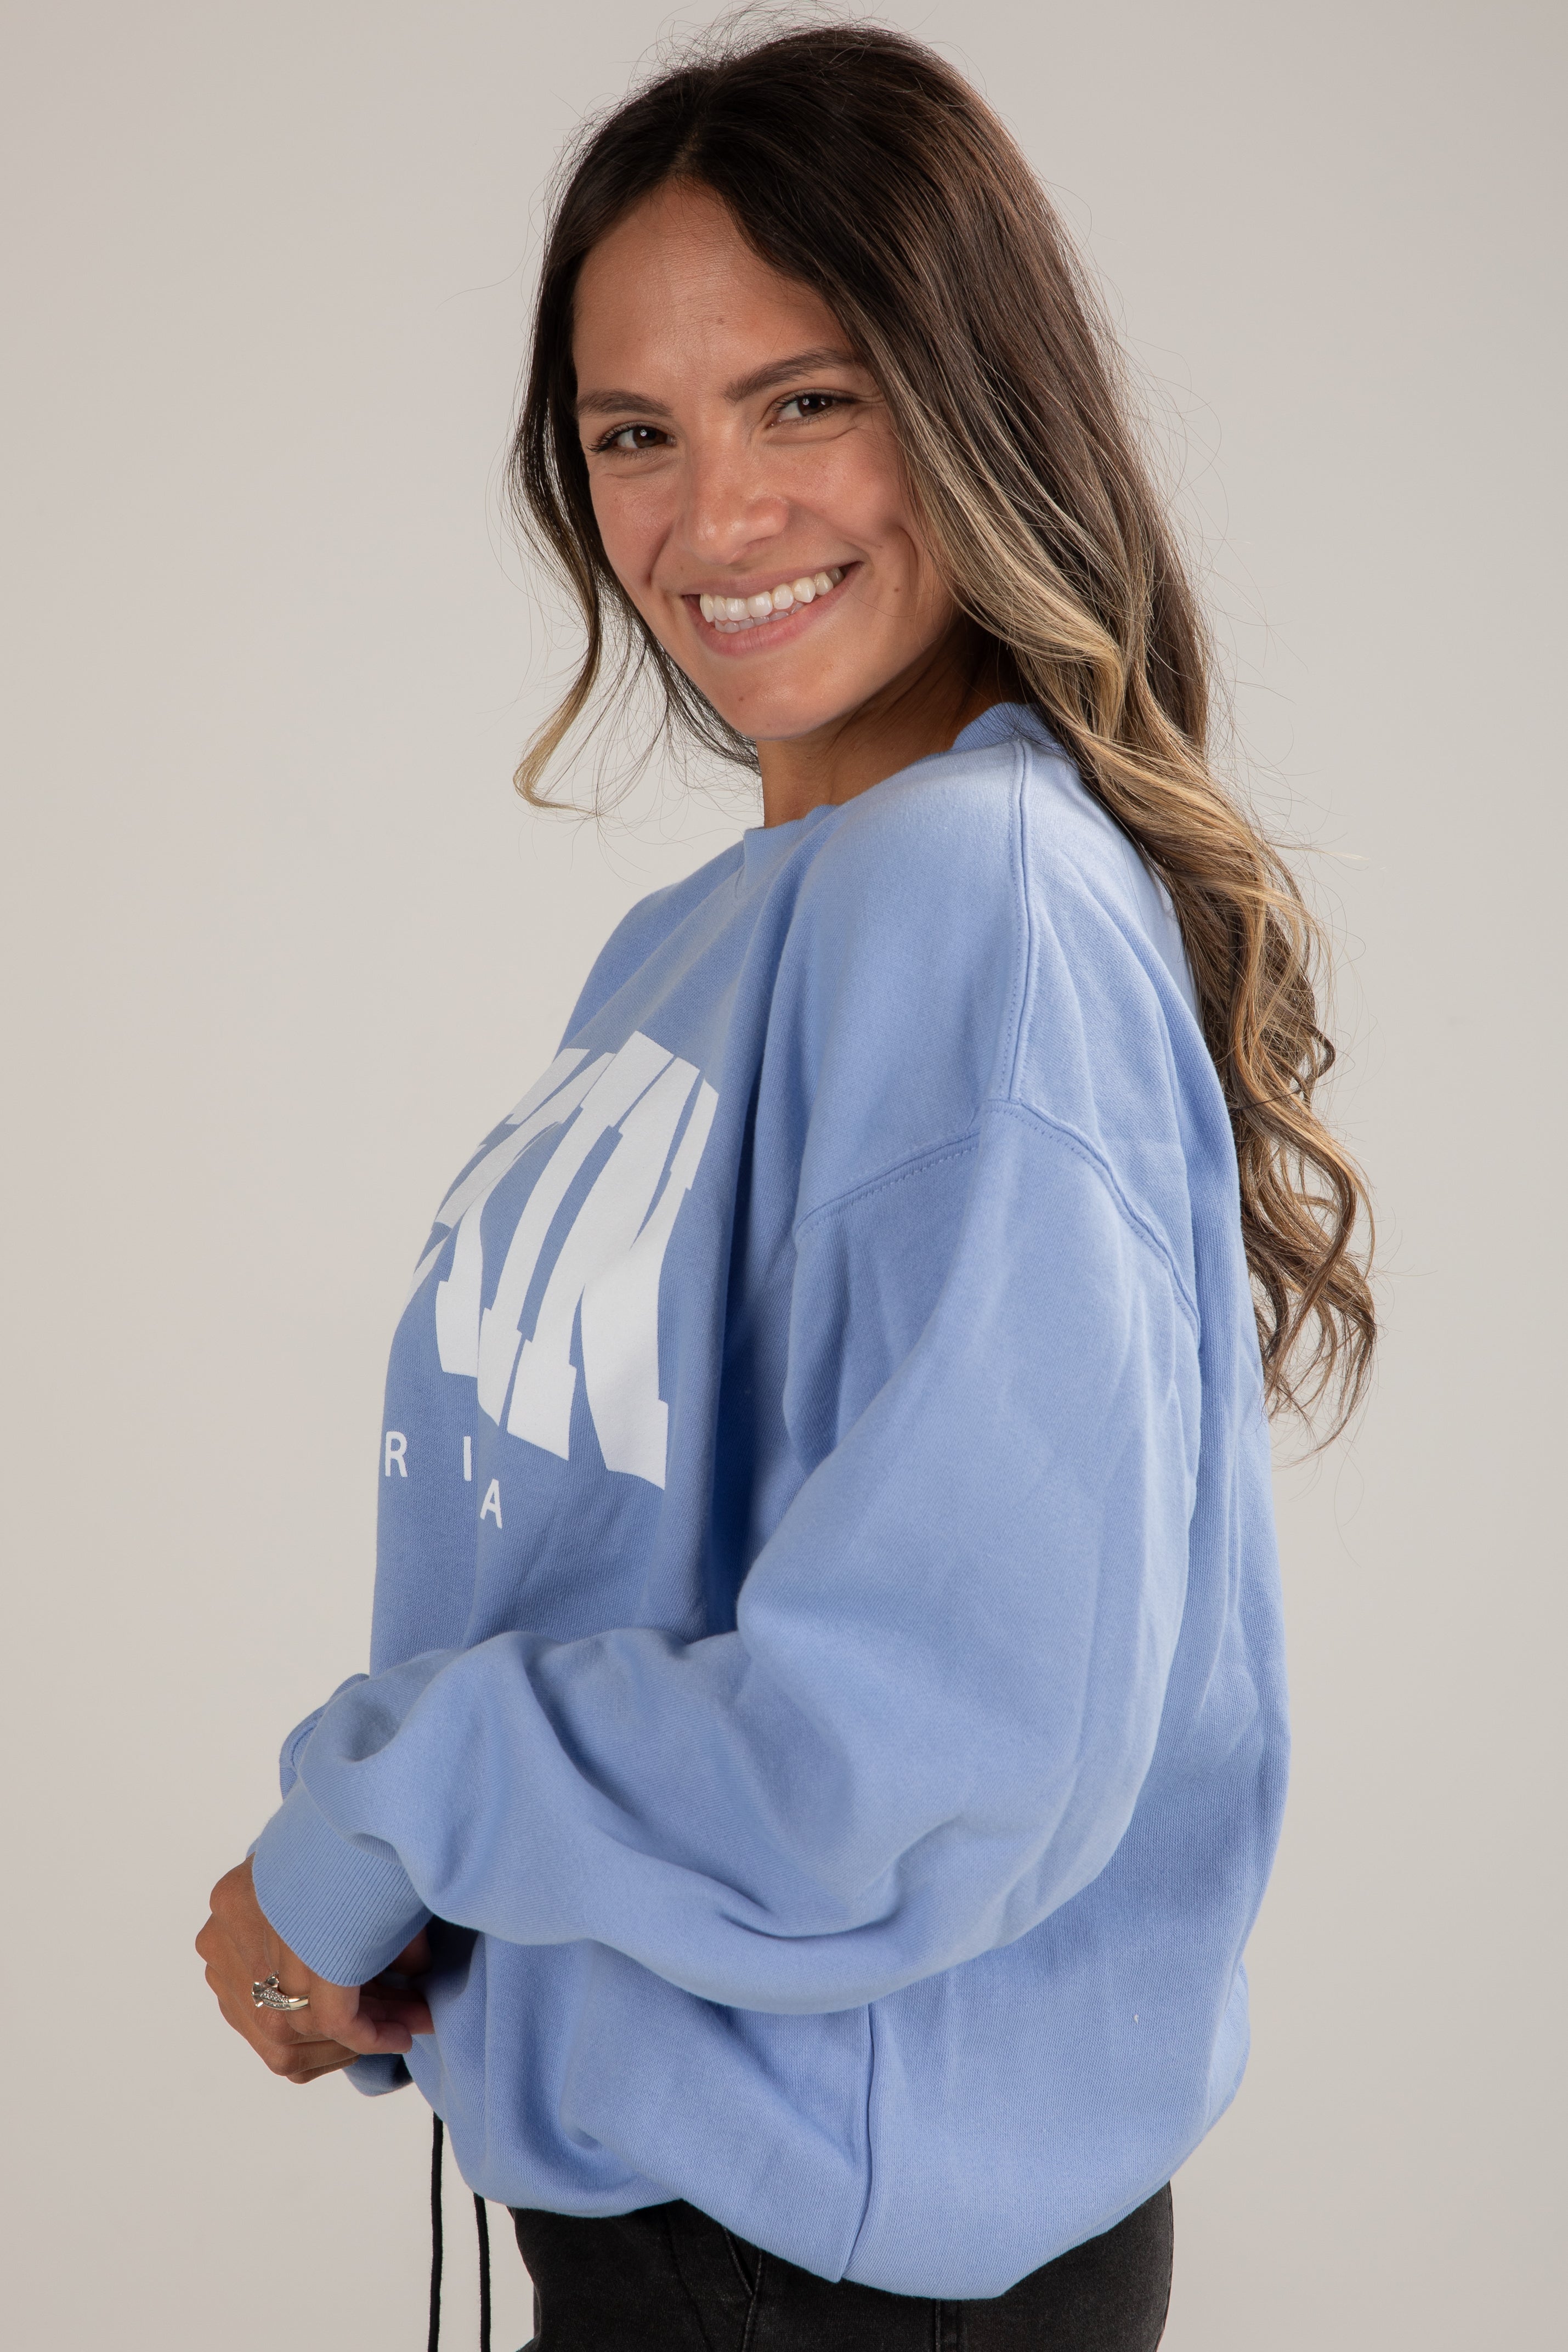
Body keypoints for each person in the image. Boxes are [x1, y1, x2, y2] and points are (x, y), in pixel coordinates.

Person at [196, 21, 1374, 2349]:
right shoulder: (718, 931)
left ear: (968, 401)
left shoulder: (976, 893)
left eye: (803, 401)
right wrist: (422, 1936)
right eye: (636, 431)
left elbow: (916, 1750)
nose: (711, 517)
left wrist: (373, 1827)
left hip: (819, 2279)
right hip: (674, 2230)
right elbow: (634, 1563)